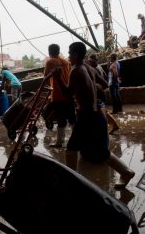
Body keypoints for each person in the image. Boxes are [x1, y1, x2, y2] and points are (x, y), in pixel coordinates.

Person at [58, 42, 135, 189]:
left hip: (87, 116)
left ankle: (72, 180)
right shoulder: (89, 68)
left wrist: (58, 77)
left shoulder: (75, 71)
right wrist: (90, 90)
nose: (68, 56)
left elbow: (67, 95)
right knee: (99, 151)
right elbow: (105, 84)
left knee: (72, 148)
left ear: (75, 54)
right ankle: (126, 172)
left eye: (70, 53)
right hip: (96, 113)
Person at [43, 43, 74, 148]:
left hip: (57, 94)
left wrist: (48, 86)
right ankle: (78, 138)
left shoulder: (50, 62)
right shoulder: (66, 62)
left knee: (61, 118)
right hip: (68, 93)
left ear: (50, 51)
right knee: (71, 117)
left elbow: (46, 78)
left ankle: (60, 142)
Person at [87, 53, 119, 134]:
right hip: (100, 91)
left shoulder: (93, 69)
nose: (89, 62)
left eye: (90, 61)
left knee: (100, 111)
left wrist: (98, 87)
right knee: (103, 111)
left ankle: (107, 127)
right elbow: (104, 76)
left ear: (92, 61)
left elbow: (102, 81)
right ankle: (113, 125)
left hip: (98, 92)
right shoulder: (99, 67)